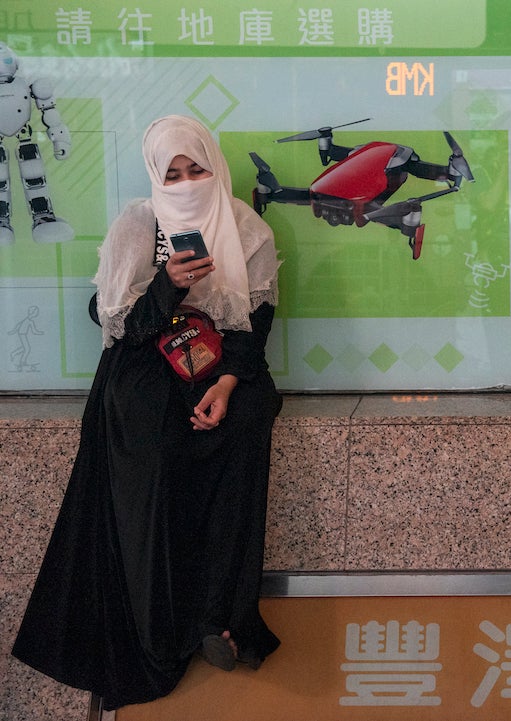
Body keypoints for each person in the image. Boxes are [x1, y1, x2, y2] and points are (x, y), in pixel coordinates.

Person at [12, 115, 283, 709]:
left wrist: (229, 384)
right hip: (147, 371)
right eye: (173, 173)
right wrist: (168, 285)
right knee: (153, 462)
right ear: (154, 177)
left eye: (198, 169)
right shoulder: (138, 225)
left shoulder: (245, 228)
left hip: (223, 373)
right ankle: (155, 629)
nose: (187, 183)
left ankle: (220, 619)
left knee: (243, 437)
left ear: (216, 167)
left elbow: (254, 325)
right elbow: (116, 326)